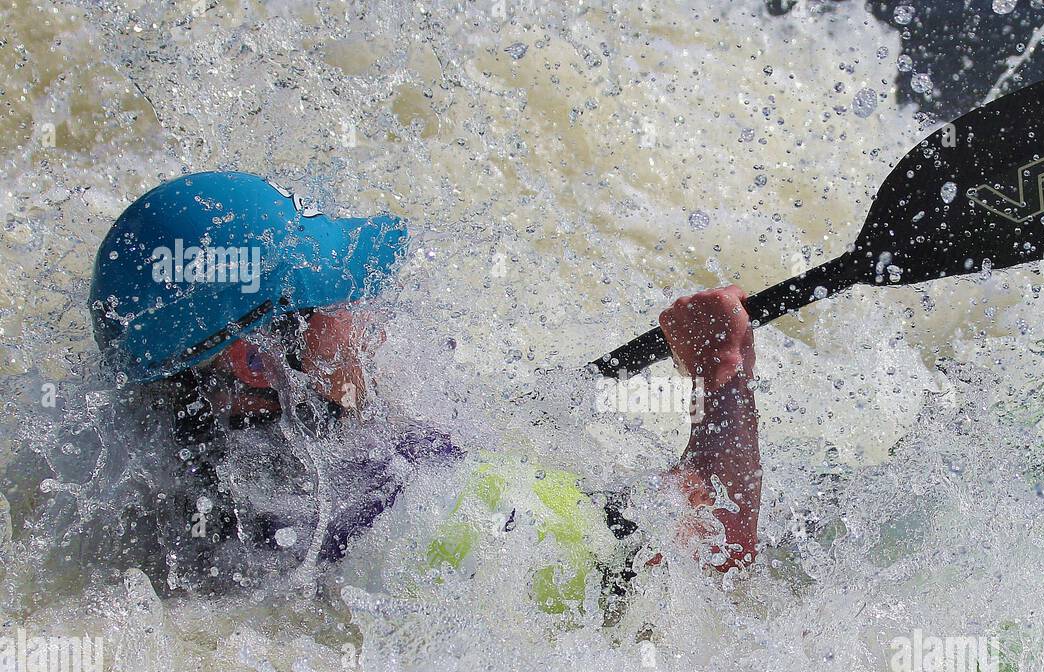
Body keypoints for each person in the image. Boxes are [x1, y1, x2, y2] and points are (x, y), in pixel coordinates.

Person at [88, 172, 762, 606]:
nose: (369, 310)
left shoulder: (149, 491)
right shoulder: (423, 517)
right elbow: (710, 560)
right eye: (337, 295)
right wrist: (720, 374)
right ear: (257, 363)